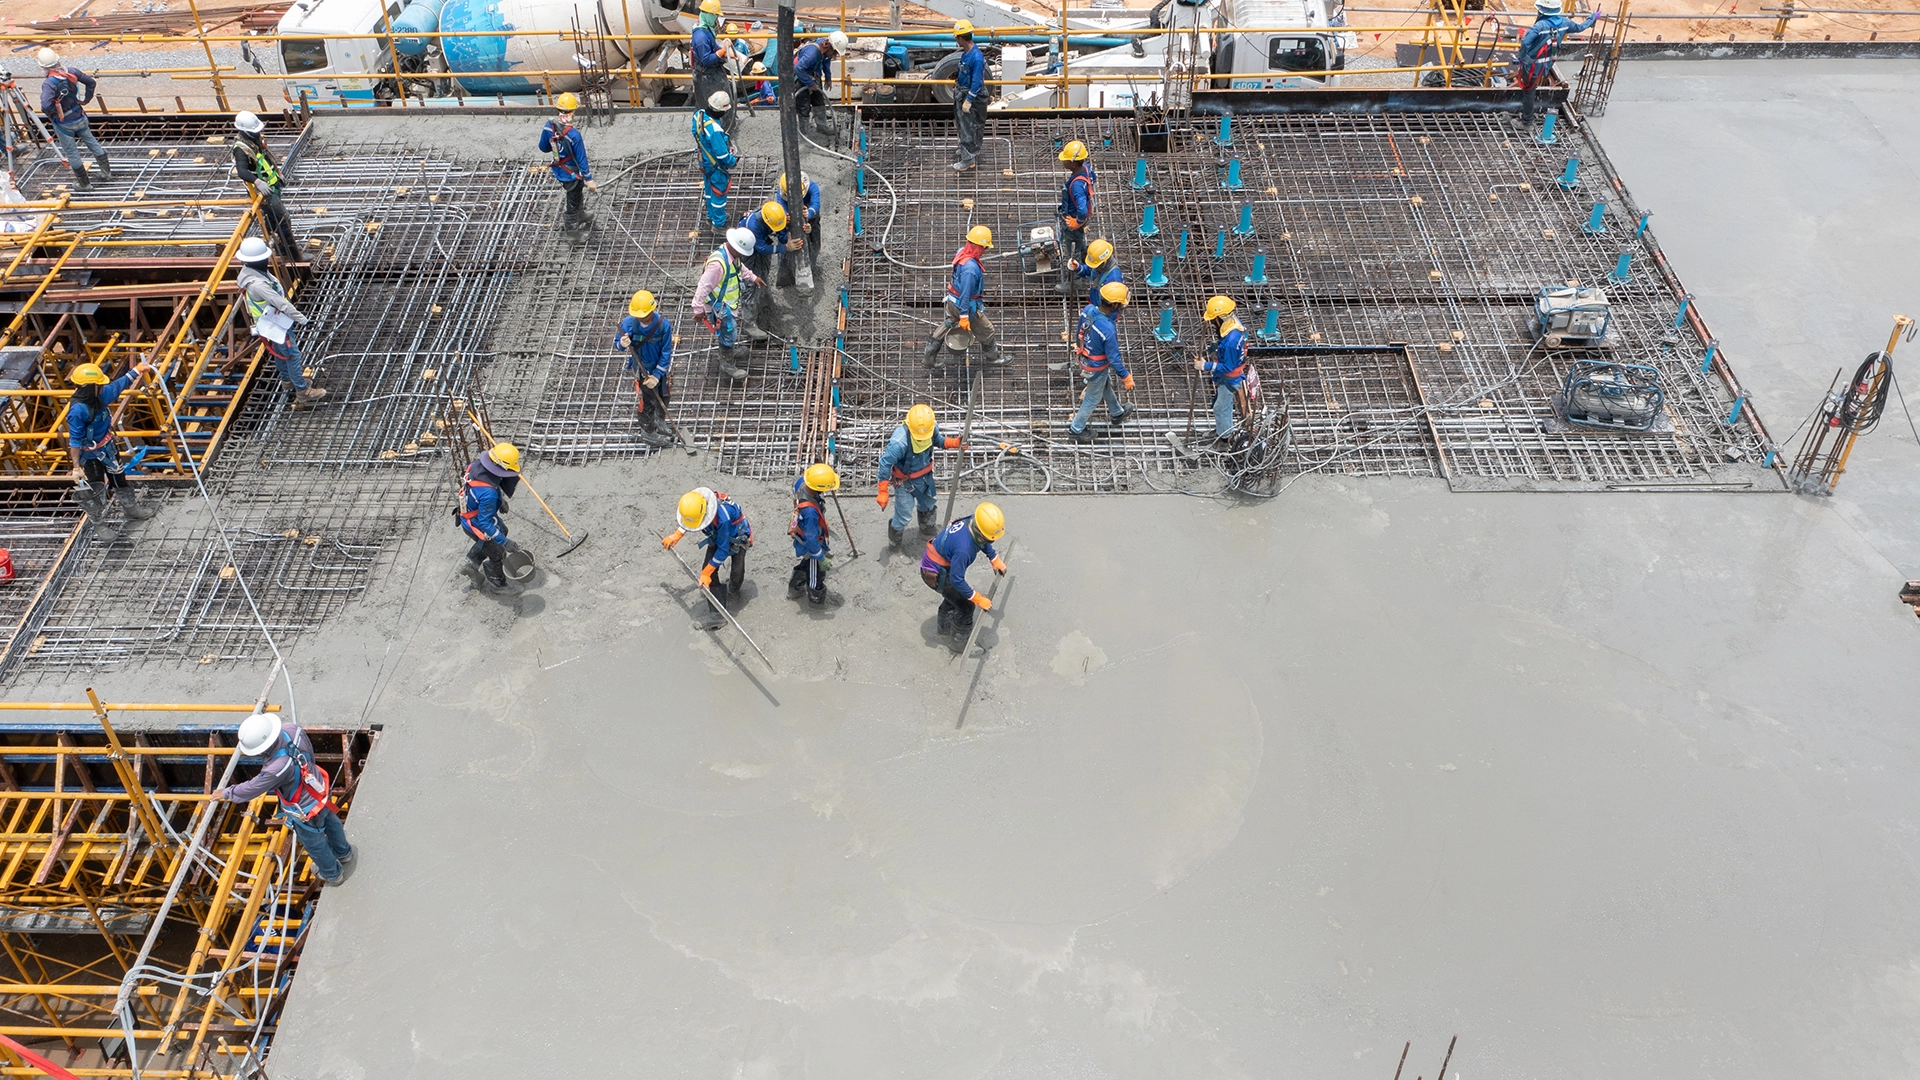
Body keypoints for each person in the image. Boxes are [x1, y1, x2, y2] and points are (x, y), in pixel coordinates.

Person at [215, 712, 356, 886]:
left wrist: (227, 792)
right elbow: (309, 756)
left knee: (314, 843)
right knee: (332, 821)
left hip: (306, 809)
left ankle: (332, 874)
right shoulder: (292, 729)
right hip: (319, 789)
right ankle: (344, 853)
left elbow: (252, 787)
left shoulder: (276, 768)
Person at [66, 360, 158, 539]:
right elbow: (75, 442)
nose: (103, 386)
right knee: (96, 488)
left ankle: (130, 508)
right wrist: (76, 468)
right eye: (99, 384)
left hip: (107, 447)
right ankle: (99, 525)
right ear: (90, 387)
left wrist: (136, 370)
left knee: (119, 478)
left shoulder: (100, 396)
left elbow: (119, 385)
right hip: (90, 455)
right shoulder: (78, 411)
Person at [235, 237, 328, 404]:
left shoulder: (249, 272)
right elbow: (282, 305)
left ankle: (288, 380)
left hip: (268, 321)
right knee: (292, 355)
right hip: (274, 323)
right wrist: (303, 320)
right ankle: (302, 390)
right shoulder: (257, 284)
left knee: (281, 352)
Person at [876, 403, 966, 550]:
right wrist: (882, 491)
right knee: (904, 514)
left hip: (925, 478)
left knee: (929, 504)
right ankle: (895, 545)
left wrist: (955, 443)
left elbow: (939, 440)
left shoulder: (931, 427)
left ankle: (927, 530)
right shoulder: (899, 442)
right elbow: (885, 464)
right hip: (905, 483)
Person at [663, 486, 752, 628]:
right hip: (716, 535)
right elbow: (690, 520)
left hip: (736, 537)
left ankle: (734, 591)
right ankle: (718, 615)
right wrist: (677, 535)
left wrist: (706, 573)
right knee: (709, 570)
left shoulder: (722, 518)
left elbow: (723, 551)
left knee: (737, 571)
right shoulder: (696, 503)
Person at [921, 225, 1004, 368]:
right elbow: (966, 294)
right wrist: (965, 316)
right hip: (964, 306)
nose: (985, 251)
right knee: (987, 329)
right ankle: (993, 358)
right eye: (984, 247)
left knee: (948, 324)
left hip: (952, 302)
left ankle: (928, 358)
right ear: (977, 246)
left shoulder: (962, 252)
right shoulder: (971, 269)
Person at [921, 501, 1006, 640]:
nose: (991, 542)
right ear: (980, 532)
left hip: (938, 562)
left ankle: (944, 626)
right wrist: (977, 599)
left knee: (954, 598)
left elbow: (981, 540)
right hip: (936, 574)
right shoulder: (964, 549)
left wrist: (993, 557)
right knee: (966, 606)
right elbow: (956, 579)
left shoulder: (974, 520)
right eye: (991, 540)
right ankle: (958, 642)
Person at [1512, 0, 1602, 128]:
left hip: (1532, 66)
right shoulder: (1565, 22)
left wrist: (1522, 58)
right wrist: (1591, 19)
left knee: (1528, 90)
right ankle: (1529, 112)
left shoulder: (1540, 26)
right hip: (1548, 63)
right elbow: (1580, 27)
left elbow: (1526, 43)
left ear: (1543, 10)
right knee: (1533, 86)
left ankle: (1526, 122)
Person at [1068, 281, 1136, 443]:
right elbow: (1114, 358)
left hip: (1086, 360)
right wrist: (1125, 376)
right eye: (1120, 306)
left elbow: (1079, 333)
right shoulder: (1108, 329)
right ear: (1113, 306)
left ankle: (1117, 413)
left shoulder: (1088, 310)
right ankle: (1076, 430)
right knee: (1092, 398)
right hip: (1096, 367)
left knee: (1105, 385)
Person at [36, 49, 112, 191]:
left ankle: (84, 184)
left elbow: (45, 105)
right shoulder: (72, 72)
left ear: (44, 67)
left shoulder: (49, 83)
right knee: (93, 143)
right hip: (79, 115)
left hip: (64, 123)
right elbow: (91, 83)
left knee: (72, 153)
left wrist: (52, 113)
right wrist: (86, 100)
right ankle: (106, 173)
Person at [692, 227, 762, 381]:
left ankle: (729, 350)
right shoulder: (718, 264)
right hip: (719, 308)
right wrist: (698, 309)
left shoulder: (731, 256)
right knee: (728, 333)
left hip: (728, 306)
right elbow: (703, 286)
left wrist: (752, 277)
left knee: (729, 332)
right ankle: (726, 362)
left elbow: (738, 269)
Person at [230, 111, 301, 262]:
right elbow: (242, 170)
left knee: (273, 218)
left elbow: (267, 157)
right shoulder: (240, 148)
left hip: (272, 184)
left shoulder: (256, 139)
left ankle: (272, 242)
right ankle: (292, 255)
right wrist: (257, 182)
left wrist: (278, 172)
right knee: (283, 219)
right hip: (263, 191)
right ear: (244, 130)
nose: (258, 133)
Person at [458, 442, 522, 590]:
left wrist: (500, 501)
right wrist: (505, 542)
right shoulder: (489, 495)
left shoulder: (474, 466)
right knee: (498, 551)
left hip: (469, 512)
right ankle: (497, 582)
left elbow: (485, 487)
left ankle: (471, 563)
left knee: (502, 530)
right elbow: (485, 523)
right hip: (475, 524)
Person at [618, 289, 674, 448]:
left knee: (664, 395)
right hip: (642, 370)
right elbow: (618, 344)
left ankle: (659, 421)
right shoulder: (629, 324)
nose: (643, 317)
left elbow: (666, 351)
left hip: (659, 370)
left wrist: (657, 375)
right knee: (647, 401)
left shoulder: (663, 325)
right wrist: (622, 343)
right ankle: (648, 432)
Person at [537, 92, 597, 234]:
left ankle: (580, 215)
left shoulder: (548, 127)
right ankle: (572, 232)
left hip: (560, 169)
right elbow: (582, 158)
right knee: (573, 199)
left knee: (577, 194)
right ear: (573, 112)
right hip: (571, 174)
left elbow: (543, 147)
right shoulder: (574, 135)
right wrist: (589, 179)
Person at [1195, 294, 1250, 443]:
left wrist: (1205, 365)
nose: (1212, 322)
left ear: (1221, 317)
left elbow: (1228, 366)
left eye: (1214, 319)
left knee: (1220, 408)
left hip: (1231, 379)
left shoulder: (1231, 342)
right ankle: (1222, 430)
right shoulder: (1233, 324)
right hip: (1229, 377)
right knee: (1221, 406)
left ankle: (1225, 439)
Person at [787, 462, 841, 608]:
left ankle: (794, 589)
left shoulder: (802, 483)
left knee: (805, 566)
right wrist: (820, 557)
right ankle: (815, 602)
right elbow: (811, 541)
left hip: (804, 528)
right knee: (815, 575)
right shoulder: (810, 513)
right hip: (810, 545)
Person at [737, 200, 789, 340]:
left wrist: (787, 233)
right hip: (747, 251)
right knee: (749, 285)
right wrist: (785, 248)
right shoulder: (753, 225)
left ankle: (764, 301)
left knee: (763, 273)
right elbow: (761, 248)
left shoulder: (776, 216)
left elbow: (781, 232)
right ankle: (748, 323)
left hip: (761, 243)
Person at [1054, 140, 1096, 293]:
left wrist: (1076, 222)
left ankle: (1075, 282)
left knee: (1072, 251)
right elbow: (1094, 179)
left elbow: (1083, 210)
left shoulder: (1077, 186)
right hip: (1079, 219)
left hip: (1073, 219)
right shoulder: (1086, 168)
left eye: (1065, 159)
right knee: (1079, 243)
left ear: (1072, 163)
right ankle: (1086, 254)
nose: (1062, 160)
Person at [693, 90, 737, 230]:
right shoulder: (715, 130)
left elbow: (695, 132)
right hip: (714, 165)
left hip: (704, 161)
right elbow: (721, 154)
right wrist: (732, 161)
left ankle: (711, 215)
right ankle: (718, 224)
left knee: (709, 189)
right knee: (719, 192)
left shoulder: (699, 115)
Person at [792, 30, 846, 139]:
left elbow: (826, 60)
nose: (835, 55)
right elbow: (798, 69)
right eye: (835, 52)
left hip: (813, 74)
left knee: (818, 100)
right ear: (828, 46)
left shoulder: (826, 49)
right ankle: (804, 134)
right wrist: (809, 83)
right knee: (803, 105)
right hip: (801, 76)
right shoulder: (812, 54)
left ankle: (822, 126)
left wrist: (828, 77)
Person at [690, 0, 734, 129]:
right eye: (714, 15)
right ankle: (716, 129)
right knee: (713, 102)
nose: (716, 18)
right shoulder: (700, 36)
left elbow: (713, 46)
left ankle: (720, 126)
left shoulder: (706, 29)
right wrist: (722, 51)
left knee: (715, 101)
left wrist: (725, 53)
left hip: (711, 72)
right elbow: (706, 59)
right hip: (706, 75)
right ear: (708, 14)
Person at [950, 22, 986, 171]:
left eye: (957, 38)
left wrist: (968, 100)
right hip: (964, 92)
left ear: (961, 38)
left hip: (971, 95)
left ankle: (968, 159)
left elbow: (977, 82)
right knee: (968, 125)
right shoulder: (968, 53)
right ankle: (971, 150)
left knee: (967, 127)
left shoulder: (976, 57)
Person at [775, 171, 821, 279]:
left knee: (813, 240)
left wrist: (809, 213)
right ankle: (788, 270)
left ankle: (812, 263)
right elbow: (782, 207)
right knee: (787, 240)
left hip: (811, 219)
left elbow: (816, 204)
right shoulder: (781, 193)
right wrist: (786, 217)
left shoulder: (812, 187)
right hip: (789, 224)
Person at [1067, 238, 1123, 307]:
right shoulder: (1099, 265)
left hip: (1103, 311)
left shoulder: (1114, 279)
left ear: (1104, 262)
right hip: (1095, 300)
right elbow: (1089, 270)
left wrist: (1098, 314)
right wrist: (1078, 267)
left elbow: (1113, 307)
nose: (1094, 267)